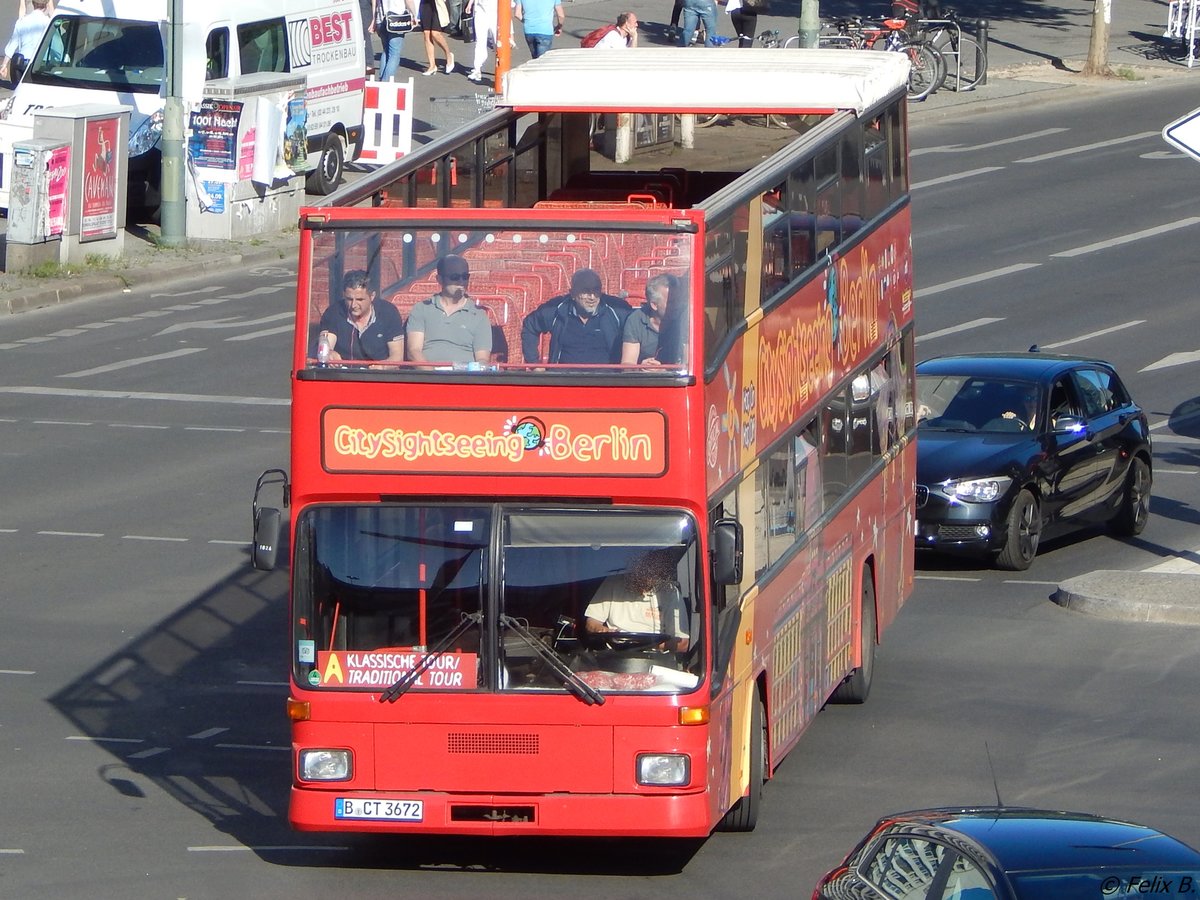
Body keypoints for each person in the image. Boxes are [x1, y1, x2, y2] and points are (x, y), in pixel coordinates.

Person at [584, 549, 689, 652]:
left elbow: (682, 644)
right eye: (643, 574)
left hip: (655, 656)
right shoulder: (613, 582)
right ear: (636, 568)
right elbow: (592, 622)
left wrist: (642, 643)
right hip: (613, 654)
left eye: (653, 575)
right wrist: (602, 630)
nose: (648, 580)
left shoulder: (670, 592)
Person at [521, 268, 630, 365]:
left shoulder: (617, 310)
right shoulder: (557, 309)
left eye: (596, 290)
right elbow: (530, 325)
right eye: (586, 291)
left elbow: (639, 325)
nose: (592, 297)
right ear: (572, 293)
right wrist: (534, 364)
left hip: (606, 382)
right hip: (563, 381)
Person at [405, 254, 492, 365]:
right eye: (455, 277)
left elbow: (482, 359)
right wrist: (433, 376)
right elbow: (414, 351)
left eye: (465, 276)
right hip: (427, 377)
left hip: (463, 378)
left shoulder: (479, 315)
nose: (461, 281)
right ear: (439, 279)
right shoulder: (421, 309)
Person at [317, 270, 406, 363]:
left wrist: (382, 367)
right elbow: (326, 346)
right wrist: (330, 353)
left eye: (359, 299)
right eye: (349, 299)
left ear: (372, 296)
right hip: (342, 374)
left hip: (378, 374)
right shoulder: (333, 313)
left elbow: (397, 357)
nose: (353, 305)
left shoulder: (388, 313)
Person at [621, 273, 677, 365]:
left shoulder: (687, 319)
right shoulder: (636, 320)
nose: (677, 305)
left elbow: (689, 365)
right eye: (671, 302)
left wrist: (663, 371)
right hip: (644, 378)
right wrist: (641, 368)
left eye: (678, 300)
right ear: (654, 305)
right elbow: (627, 363)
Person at [0, 0, 51, 86]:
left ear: (32, 4)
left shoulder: (22, 21)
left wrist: (4, 65)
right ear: (46, 6)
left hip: (22, 65)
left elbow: (12, 44)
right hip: (41, 67)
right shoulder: (48, 22)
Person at [370, 0, 418, 81]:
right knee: (394, 54)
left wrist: (374, 19)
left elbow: (374, 1)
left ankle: (382, 81)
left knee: (386, 51)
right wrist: (414, 15)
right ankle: (385, 83)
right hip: (396, 19)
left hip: (381, 19)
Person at [464, 0, 498, 83]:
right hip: (480, 11)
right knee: (480, 41)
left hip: (495, 12)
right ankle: (477, 69)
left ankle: (502, 69)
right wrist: (470, 3)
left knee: (497, 42)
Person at [418, 0, 456, 75]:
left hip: (437, 4)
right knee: (426, 33)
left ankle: (448, 55)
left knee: (435, 34)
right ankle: (432, 66)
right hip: (425, 4)